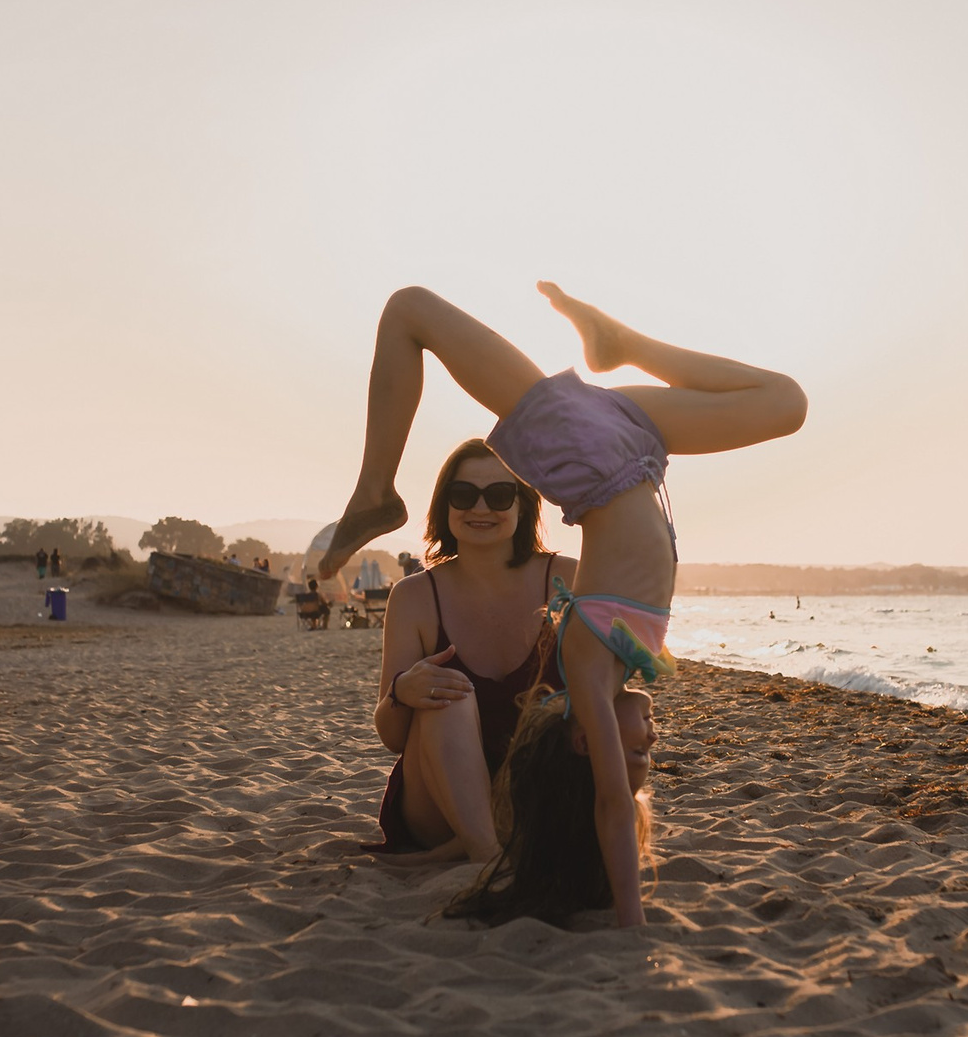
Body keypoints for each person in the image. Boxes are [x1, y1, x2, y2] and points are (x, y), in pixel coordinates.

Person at [318, 284, 803, 926]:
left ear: (581, 738)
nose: (645, 748)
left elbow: (610, 803)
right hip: (639, 453)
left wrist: (628, 917)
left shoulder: (588, 674)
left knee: (410, 311)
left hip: (594, 457)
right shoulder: (627, 662)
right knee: (788, 404)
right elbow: (614, 798)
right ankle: (626, 345)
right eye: (643, 755)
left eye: (631, 752)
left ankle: (375, 490)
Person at [368, 440, 574, 864]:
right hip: (438, 806)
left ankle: (482, 849)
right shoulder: (414, 596)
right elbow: (391, 737)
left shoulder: (567, 579)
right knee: (445, 691)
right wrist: (403, 691)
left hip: (541, 796)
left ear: (524, 505)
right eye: (463, 495)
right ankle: (487, 858)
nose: (480, 508)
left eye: (498, 495)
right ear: (445, 505)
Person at [442, 683, 657, 926]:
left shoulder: (590, 667)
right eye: (640, 753)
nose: (653, 737)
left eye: (639, 751)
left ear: (584, 741)